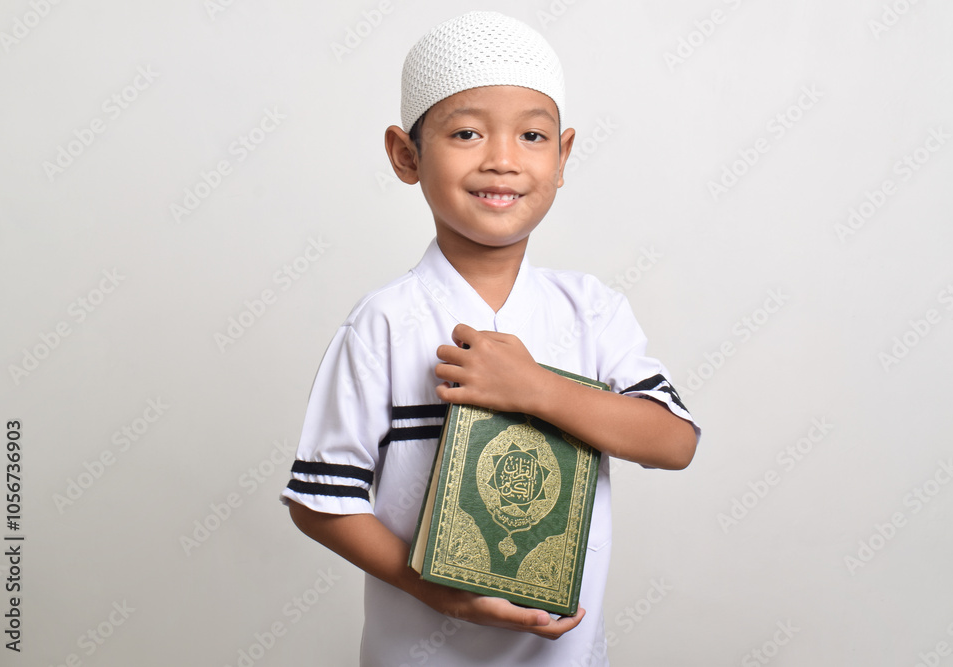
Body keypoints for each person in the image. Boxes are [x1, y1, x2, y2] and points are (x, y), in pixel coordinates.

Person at [281, 11, 700, 666]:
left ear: (562, 158)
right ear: (406, 154)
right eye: (468, 132)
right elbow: (320, 500)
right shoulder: (385, 323)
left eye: (532, 135)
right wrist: (439, 593)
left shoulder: (591, 311)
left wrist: (537, 389)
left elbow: (674, 441)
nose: (503, 159)